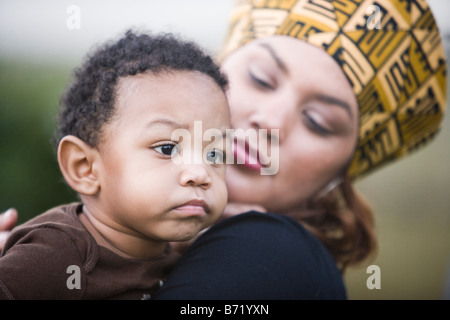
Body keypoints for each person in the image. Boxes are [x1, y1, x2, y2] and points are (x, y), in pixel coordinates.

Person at [1, 0, 447, 300]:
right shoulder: (107, 244)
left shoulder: (273, 252)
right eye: (261, 79)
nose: (269, 122)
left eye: (319, 122)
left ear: (338, 177)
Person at [0, 30, 231, 299]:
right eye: (167, 148)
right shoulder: (56, 255)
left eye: (215, 154)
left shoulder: (182, 254)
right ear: (84, 167)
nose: (200, 173)